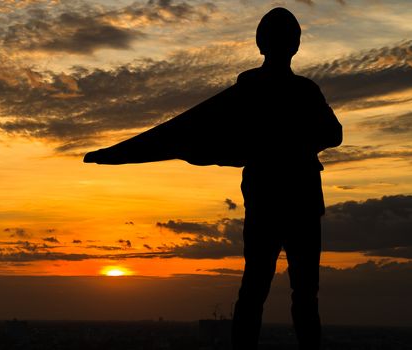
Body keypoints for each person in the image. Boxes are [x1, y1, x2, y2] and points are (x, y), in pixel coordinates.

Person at [83, 7, 342, 350]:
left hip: (290, 199)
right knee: (272, 290)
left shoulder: (295, 90)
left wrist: (282, 142)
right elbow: (190, 128)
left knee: (281, 290)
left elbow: (333, 134)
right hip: (283, 199)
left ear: (265, 44)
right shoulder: (270, 89)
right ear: (290, 45)